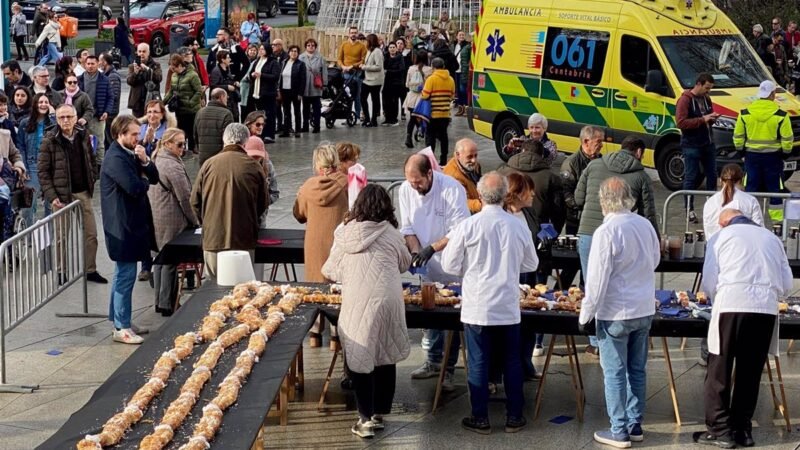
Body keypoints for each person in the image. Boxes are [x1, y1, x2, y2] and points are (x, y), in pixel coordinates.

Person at [441, 172, 538, 435]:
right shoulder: (517, 225)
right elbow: (532, 264)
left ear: (480, 196)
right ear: (505, 194)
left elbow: (449, 264)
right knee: (512, 361)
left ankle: (480, 416)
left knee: (479, 361)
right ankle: (515, 416)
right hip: (507, 303)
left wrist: (469, 268)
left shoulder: (468, 225)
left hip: (478, 304)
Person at [694, 208, 792, 449]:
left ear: (725, 222)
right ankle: (742, 429)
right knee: (750, 371)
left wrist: (718, 297)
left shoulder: (721, 237)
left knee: (719, 368)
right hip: (765, 308)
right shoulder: (771, 238)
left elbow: (709, 280)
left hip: (731, 303)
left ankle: (719, 429)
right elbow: (787, 283)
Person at [322, 184, 412, 439]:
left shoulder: (344, 234)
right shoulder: (392, 232)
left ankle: (365, 419)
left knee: (360, 355)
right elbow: (405, 263)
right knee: (386, 351)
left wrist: (351, 272)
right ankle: (381, 412)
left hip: (357, 300)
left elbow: (329, 270)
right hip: (389, 300)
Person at [578, 177, 660, 449]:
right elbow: (655, 259)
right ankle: (635, 424)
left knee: (614, 372)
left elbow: (597, 279)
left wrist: (585, 315)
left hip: (615, 311)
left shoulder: (606, 231)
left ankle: (619, 430)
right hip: (644, 307)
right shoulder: (644, 224)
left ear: (603, 201)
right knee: (637, 369)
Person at [401, 154, 469, 389]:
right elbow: (408, 227)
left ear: (430, 173)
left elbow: (459, 230)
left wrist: (432, 248)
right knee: (430, 313)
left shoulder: (452, 189)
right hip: (426, 261)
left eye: (418, 181)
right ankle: (432, 361)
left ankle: (448, 369)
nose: (414, 186)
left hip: (450, 260)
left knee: (450, 317)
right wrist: (417, 252)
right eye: (410, 182)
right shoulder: (405, 189)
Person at [101, 115, 159, 344]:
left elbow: (154, 178)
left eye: (138, 133)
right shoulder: (115, 158)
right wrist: (143, 180)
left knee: (121, 275)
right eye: (133, 134)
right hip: (121, 227)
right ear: (120, 135)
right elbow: (136, 187)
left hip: (132, 223)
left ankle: (118, 318)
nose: (138, 138)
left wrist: (145, 162)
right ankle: (121, 327)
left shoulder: (131, 153)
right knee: (125, 276)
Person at [38, 103, 106, 283]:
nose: (65, 121)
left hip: (83, 192)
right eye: (61, 117)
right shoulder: (49, 140)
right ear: (57, 119)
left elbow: (91, 158)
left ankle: (90, 270)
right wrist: (52, 197)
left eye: (69, 117)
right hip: (61, 196)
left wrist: (93, 177)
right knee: (61, 237)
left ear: (76, 118)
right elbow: (43, 172)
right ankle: (61, 272)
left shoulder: (83, 135)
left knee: (91, 234)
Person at [191, 123, 267, 278]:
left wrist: (206, 222)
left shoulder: (209, 164)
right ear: (245, 143)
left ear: (224, 140)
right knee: (243, 291)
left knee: (214, 289)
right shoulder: (254, 166)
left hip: (213, 238)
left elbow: (194, 201)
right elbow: (263, 203)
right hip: (243, 239)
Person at [293, 143, 349, 348]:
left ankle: (315, 332)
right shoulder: (347, 183)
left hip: (314, 241)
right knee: (336, 286)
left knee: (315, 284)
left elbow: (299, 214)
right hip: (338, 241)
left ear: (317, 163)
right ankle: (336, 335)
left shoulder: (308, 186)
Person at [148, 128, 197, 317]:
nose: (183, 148)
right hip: (171, 217)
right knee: (170, 261)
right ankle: (168, 304)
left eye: (184, 144)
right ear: (168, 144)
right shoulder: (172, 165)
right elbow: (185, 198)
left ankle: (160, 302)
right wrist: (195, 220)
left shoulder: (157, 157)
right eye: (179, 144)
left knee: (160, 259)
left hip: (158, 214)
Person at [733, 80, 793, 222]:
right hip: (773, 158)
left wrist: (742, 153)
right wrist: (785, 154)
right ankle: (777, 223)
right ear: (773, 94)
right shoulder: (781, 115)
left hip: (751, 157)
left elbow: (738, 137)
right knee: (775, 190)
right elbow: (787, 139)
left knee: (750, 189)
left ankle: (748, 220)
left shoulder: (745, 113)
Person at [676, 73, 718, 223]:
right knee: (691, 177)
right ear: (698, 84)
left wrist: (712, 118)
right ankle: (689, 210)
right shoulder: (685, 100)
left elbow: (706, 119)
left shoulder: (706, 99)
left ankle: (712, 208)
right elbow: (681, 123)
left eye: (710, 89)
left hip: (708, 143)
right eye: (707, 88)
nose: (708, 91)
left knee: (712, 175)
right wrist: (703, 120)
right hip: (691, 145)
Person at [498, 139, 565, 232]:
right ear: (541, 156)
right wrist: (549, 237)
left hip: (504, 226)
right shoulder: (550, 177)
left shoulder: (502, 171)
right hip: (538, 231)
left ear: (522, 151)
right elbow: (558, 214)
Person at [17, 93, 54, 226]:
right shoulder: (24, 123)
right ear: (35, 104)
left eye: (46, 102)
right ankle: (28, 237)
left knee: (50, 206)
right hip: (31, 166)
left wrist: (53, 115)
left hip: (50, 166)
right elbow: (20, 146)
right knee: (29, 205)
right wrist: (24, 167)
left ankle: (47, 238)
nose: (43, 105)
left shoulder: (54, 123)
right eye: (40, 102)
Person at [703, 164, 764, 238]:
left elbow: (708, 231)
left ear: (720, 180)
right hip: (743, 245)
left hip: (716, 246)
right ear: (741, 180)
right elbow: (759, 230)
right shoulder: (750, 200)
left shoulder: (710, 202)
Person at [78, 55, 114, 166]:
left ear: (97, 64)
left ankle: (100, 166)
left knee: (99, 143)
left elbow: (110, 97)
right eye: (88, 64)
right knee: (81, 142)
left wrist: (107, 111)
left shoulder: (105, 79)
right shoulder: (78, 79)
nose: (90, 66)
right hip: (82, 116)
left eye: (92, 64)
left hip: (98, 116)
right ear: (84, 64)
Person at [164, 53, 202, 155]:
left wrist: (190, 103)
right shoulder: (174, 76)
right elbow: (171, 91)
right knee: (181, 130)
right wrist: (162, 103)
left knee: (192, 131)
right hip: (180, 109)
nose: (172, 70)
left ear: (180, 66)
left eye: (174, 68)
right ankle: (183, 149)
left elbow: (199, 91)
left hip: (192, 109)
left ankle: (193, 148)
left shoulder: (192, 75)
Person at [421, 57, 455, 166]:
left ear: (433, 67)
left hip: (432, 114)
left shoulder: (431, 79)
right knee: (443, 136)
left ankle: (430, 160)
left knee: (430, 137)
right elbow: (452, 96)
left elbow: (425, 95)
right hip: (445, 114)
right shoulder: (451, 79)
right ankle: (443, 159)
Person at [244, 111, 279, 209]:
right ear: (249, 124)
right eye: (258, 124)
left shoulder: (265, 160)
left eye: (263, 124)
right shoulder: (243, 142)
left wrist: (262, 203)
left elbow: (274, 191)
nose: (261, 127)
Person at [194, 88, 234, 167]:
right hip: (220, 158)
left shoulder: (200, 112)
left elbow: (195, 134)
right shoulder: (226, 114)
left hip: (203, 157)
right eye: (226, 97)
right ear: (221, 97)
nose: (227, 99)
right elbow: (229, 138)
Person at [249, 43, 280, 143]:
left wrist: (262, 75)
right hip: (257, 92)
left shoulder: (273, 62)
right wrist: (252, 75)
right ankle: (261, 133)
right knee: (260, 115)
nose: (261, 51)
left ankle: (269, 135)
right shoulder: (257, 60)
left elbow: (275, 76)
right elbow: (251, 72)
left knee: (270, 114)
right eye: (260, 49)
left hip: (268, 92)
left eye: (263, 49)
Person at [442, 138, 481, 213]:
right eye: (469, 157)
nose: (474, 160)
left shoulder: (473, 165)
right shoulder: (453, 177)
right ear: (457, 155)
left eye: (475, 155)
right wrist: (484, 205)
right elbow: (463, 202)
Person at [337, 26, 367, 119]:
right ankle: (347, 115)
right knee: (347, 95)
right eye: (352, 33)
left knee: (357, 95)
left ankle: (358, 115)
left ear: (357, 34)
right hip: (346, 73)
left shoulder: (362, 46)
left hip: (356, 73)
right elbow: (339, 59)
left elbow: (363, 60)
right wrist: (343, 66)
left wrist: (353, 66)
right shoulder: (344, 45)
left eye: (355, 33)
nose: (353, 34)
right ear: (348, 34)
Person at [127, 43, 163, 119]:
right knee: (138, 126)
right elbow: (129, 81)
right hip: (137, 104)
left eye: (144, 51)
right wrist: (135, 73)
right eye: (139, 51)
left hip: (151, 102)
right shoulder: (132, 66)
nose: (141, 54)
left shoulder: (156, 65)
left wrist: (147, 69)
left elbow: (158, 78)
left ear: (148, 53)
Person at [299, 38, 328, 134]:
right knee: (305, 108)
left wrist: (324, 84)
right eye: (308, 45)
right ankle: (305, 126)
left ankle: (317, 126)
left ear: (315, 47)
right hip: (305, 85)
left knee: (316, 108)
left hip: (316, 85)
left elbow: (324, 72)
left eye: (313, 45)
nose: (310, 47)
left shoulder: (320, 57)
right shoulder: (301, 57)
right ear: (305, 46)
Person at [403, 51, 431, 148]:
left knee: (412, 118)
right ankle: (422, 132)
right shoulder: (429, 70)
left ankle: (408, 136)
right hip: (423, 98)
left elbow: (407, 84)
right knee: (424, 118)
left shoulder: (411, 69)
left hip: (411, 98)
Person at [279, 45, 306, 138]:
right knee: (286, 111)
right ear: (289, 52)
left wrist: (300, 93)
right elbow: (280, 77)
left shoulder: (301, 64)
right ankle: (286, 130)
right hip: (284, 90)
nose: (293, 53)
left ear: (298, 54)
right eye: (292, 51)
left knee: (297, 111)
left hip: (295, 91)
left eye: (296, 51)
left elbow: (303, 80)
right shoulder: (284, 62)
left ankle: (298, 130)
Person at [359, 34, 384, 128]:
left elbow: (379, 66)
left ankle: (373, 119)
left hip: (375, 80)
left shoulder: (377, 51)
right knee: (363, 98)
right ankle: (367, 118)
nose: (365, 42)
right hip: (367, 79)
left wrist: (365, 67)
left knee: (375, 99)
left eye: (367, 40)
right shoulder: (369, 51)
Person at [209, 49, 241, 121]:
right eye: (228, 58)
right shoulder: (216, 71)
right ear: (223, 60)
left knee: (235, 117)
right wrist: (227, 87)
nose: (230, 59)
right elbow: (213, 86)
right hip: (223, 100)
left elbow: (229, 80)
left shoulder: (228, 69)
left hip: (232, 100)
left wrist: (235, 83)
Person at [99, 52, 121, 149]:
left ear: (104, 62)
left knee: (109, 137)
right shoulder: (107, 75)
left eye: (100, 60)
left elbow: (114, 95)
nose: (98, 63)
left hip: (111, 112)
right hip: (108, 112)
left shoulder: (112, 76)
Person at [382, 41, 404, 126]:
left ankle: (394, 119)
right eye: (390, 47)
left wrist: (388, 71)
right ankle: (387, 119)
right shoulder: (385, 57)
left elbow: (401, 70)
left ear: (396, 48)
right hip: (386, 82)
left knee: (394, 101)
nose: (392, 49)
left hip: (396, 83)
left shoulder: (400, 57)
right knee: (386, 101)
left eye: (393, 47)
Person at [451, 31, 470, 116]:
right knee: (458, 90)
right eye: (460, 35)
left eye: (463, 35)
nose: (461, 36)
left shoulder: (467, 46)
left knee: (463, 90)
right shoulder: (454, 45)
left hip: (463, 70)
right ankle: (460, 108)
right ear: (457, 36)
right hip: (456, 70)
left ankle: (466, 108)